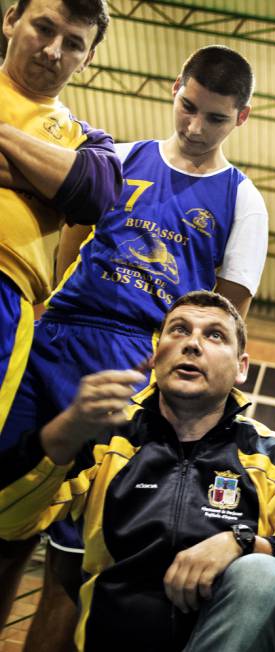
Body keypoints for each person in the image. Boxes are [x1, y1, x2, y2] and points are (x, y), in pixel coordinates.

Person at [0, 43, 269, 649]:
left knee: (75, 560)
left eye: (216, 118)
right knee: (6, 519)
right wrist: (46, 324)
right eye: (189, 107)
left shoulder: (243, 202)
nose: (196, 127)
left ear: (242, 118)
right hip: (55, 346)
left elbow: (224, 318)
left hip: (137, 373)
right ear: (176, 87)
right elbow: (66, 253)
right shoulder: (118, 159)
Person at [0, 290, 275, 650]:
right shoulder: (103, 441)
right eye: (178, 330)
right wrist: (61, 435)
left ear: (241, 367)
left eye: (214, 335)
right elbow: (7, 520)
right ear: (155, 356)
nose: (192, 344)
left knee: (264, 573)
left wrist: (243, 544)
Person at [0, 0, 120, 628]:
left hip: (10, 295)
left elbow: (95, 194)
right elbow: (67, 189)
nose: (53, 50)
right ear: (10, 20)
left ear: (89, 57)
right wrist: (41, 181)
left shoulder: (88, 141)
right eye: (43, 28)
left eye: (72, 43)